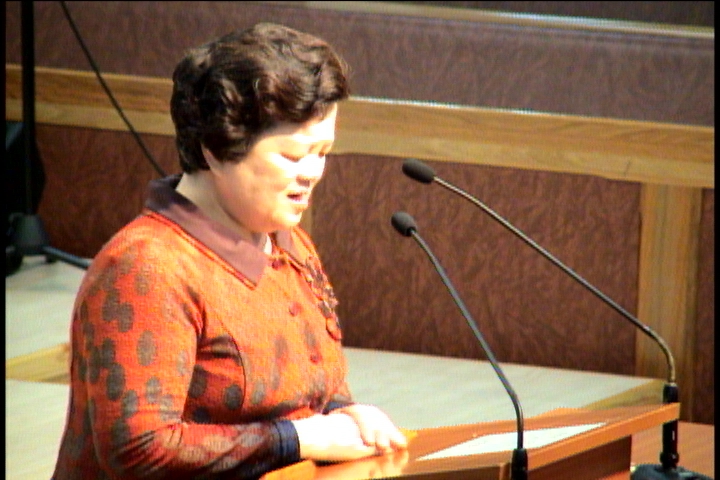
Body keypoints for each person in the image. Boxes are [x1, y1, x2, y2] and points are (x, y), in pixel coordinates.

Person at [52, 22, 407, 479]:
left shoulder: (290, 243)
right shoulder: (146, 267)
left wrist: (347, 415)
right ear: (216, 150)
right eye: (293, 156)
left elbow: (316, 391)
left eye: (323, 152)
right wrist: (296, 438)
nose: (313, 173)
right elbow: (137, 451)